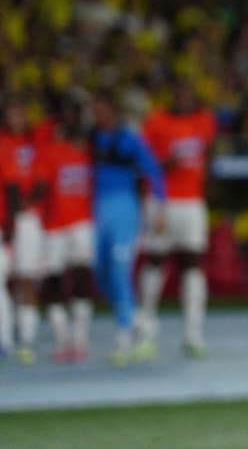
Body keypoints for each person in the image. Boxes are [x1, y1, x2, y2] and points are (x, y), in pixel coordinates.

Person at [137, 81, 218, 357]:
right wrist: (166, 165)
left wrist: (205, 189)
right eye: (180, 92)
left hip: (192, 203)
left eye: (188, 92)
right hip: (163, 202)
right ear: (172, 94)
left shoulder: (203, 120)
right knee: (156, 259)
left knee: (193, 262)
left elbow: (208, 154)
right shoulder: (157, 122)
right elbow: (143, 164)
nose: (184, 97)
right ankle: (145, 329)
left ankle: (193, 334)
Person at [89, 90, 167, 366]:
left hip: (125, 211)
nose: (96, 114)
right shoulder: (90, 139)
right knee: (101, 273)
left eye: (100, 108)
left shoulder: (129, 139)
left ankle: (123, 333)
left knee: (121, 270)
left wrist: (159, 208)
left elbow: (154, 171)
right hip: (98, 211)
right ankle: (139, 321)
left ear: (111, 110)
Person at [39, 103, 96, 362]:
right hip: (53, 226)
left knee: (82, 276)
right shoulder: (51, 151)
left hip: (82, 223)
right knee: (53, 281)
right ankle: (62, 339)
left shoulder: (92, 152)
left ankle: (79, 338)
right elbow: (40, 186)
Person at [0, 99, 48, 364]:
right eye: (10, 113)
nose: (15, 118)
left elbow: (41, 182)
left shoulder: (36, 142)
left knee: (25, 278)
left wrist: (22, 211)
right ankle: (4, 338)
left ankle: (27, 339)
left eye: (19, 112)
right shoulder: (2, 143)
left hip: (27, 219)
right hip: (5, 218)